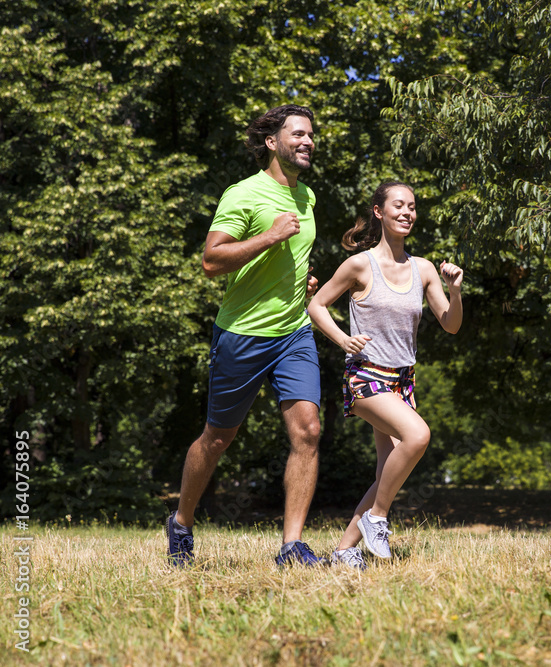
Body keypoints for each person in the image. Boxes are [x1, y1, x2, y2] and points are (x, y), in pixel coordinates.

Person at [166, 104, 326, 568]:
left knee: (309, 432)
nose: (308, 141)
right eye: (298, 133)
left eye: (311, 135)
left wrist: (302, 282)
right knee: (217, 438)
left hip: (293, 332)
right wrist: (270, 237)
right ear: (272, 142)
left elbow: (289, 259)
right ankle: (181, 522)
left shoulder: (308, 197)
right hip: (243, 334)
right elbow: (212, 261)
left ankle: (291, 546)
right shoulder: (244, 194)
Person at [307, 180, 463, 568]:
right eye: (398, 205)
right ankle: (378, 518)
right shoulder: (360, 264)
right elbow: (317, 305)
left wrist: (454, 291)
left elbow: (451, 324)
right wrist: (344, 340)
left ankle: (344, 551)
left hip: (402, 381)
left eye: (412, 206)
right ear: (379, 211)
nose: (407, 212)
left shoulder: (423, 269)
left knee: (387, 476)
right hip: (366, 376)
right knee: (418, 435)